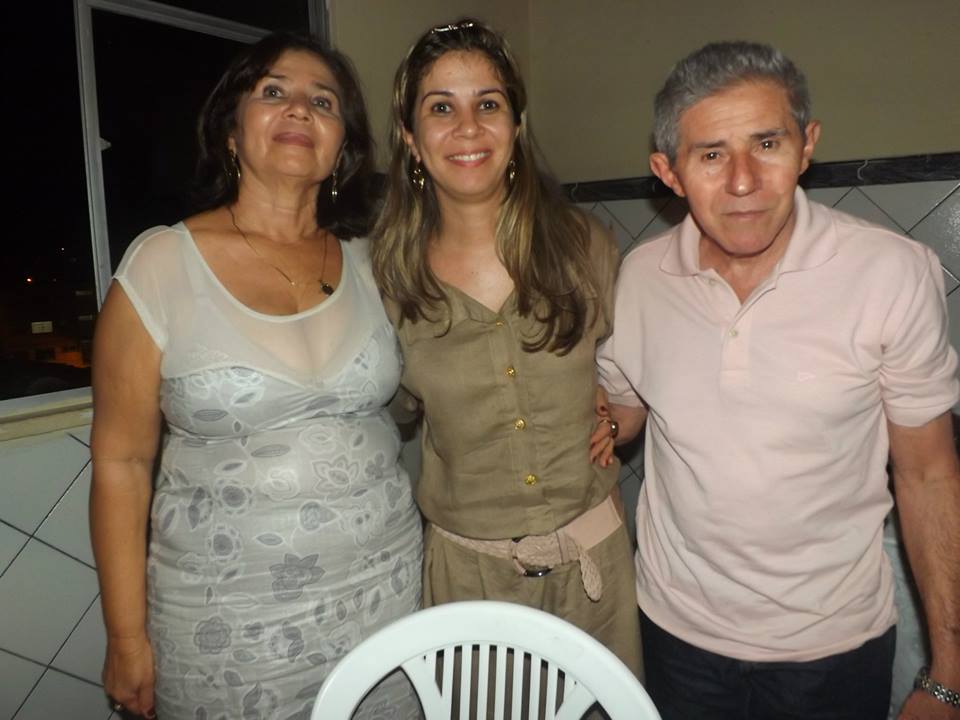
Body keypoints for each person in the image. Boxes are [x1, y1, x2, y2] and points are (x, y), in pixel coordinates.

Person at [594, 41, 960, 719]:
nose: (743, 181)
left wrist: (949, 677)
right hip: (674, 634)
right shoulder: (639, 276)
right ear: (669, 172)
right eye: (711, 155)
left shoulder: (892, 271)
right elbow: (623, 410)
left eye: (767, 144)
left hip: (833, 649)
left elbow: (930, 474)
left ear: (807, 144)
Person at [90, 33, 423, 719]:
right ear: (232, 132)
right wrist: (125, 637)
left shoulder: (373, 261)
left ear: (341, 147)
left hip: (385, 603)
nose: (300, 108)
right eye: (273, 92)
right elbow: (121, 463)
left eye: (323, 101)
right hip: (227, 628)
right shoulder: (161, 263)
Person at [370, 18, 641, 675]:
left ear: (516, 125)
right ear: (410, 137)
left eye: (488, 104)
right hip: (470, 583)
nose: (468, 127)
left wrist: (618, 417)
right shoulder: (384, 279)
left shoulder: (586, 246)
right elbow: (387, 410)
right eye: (441, 108)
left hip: (595, 575)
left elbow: (636, 380)